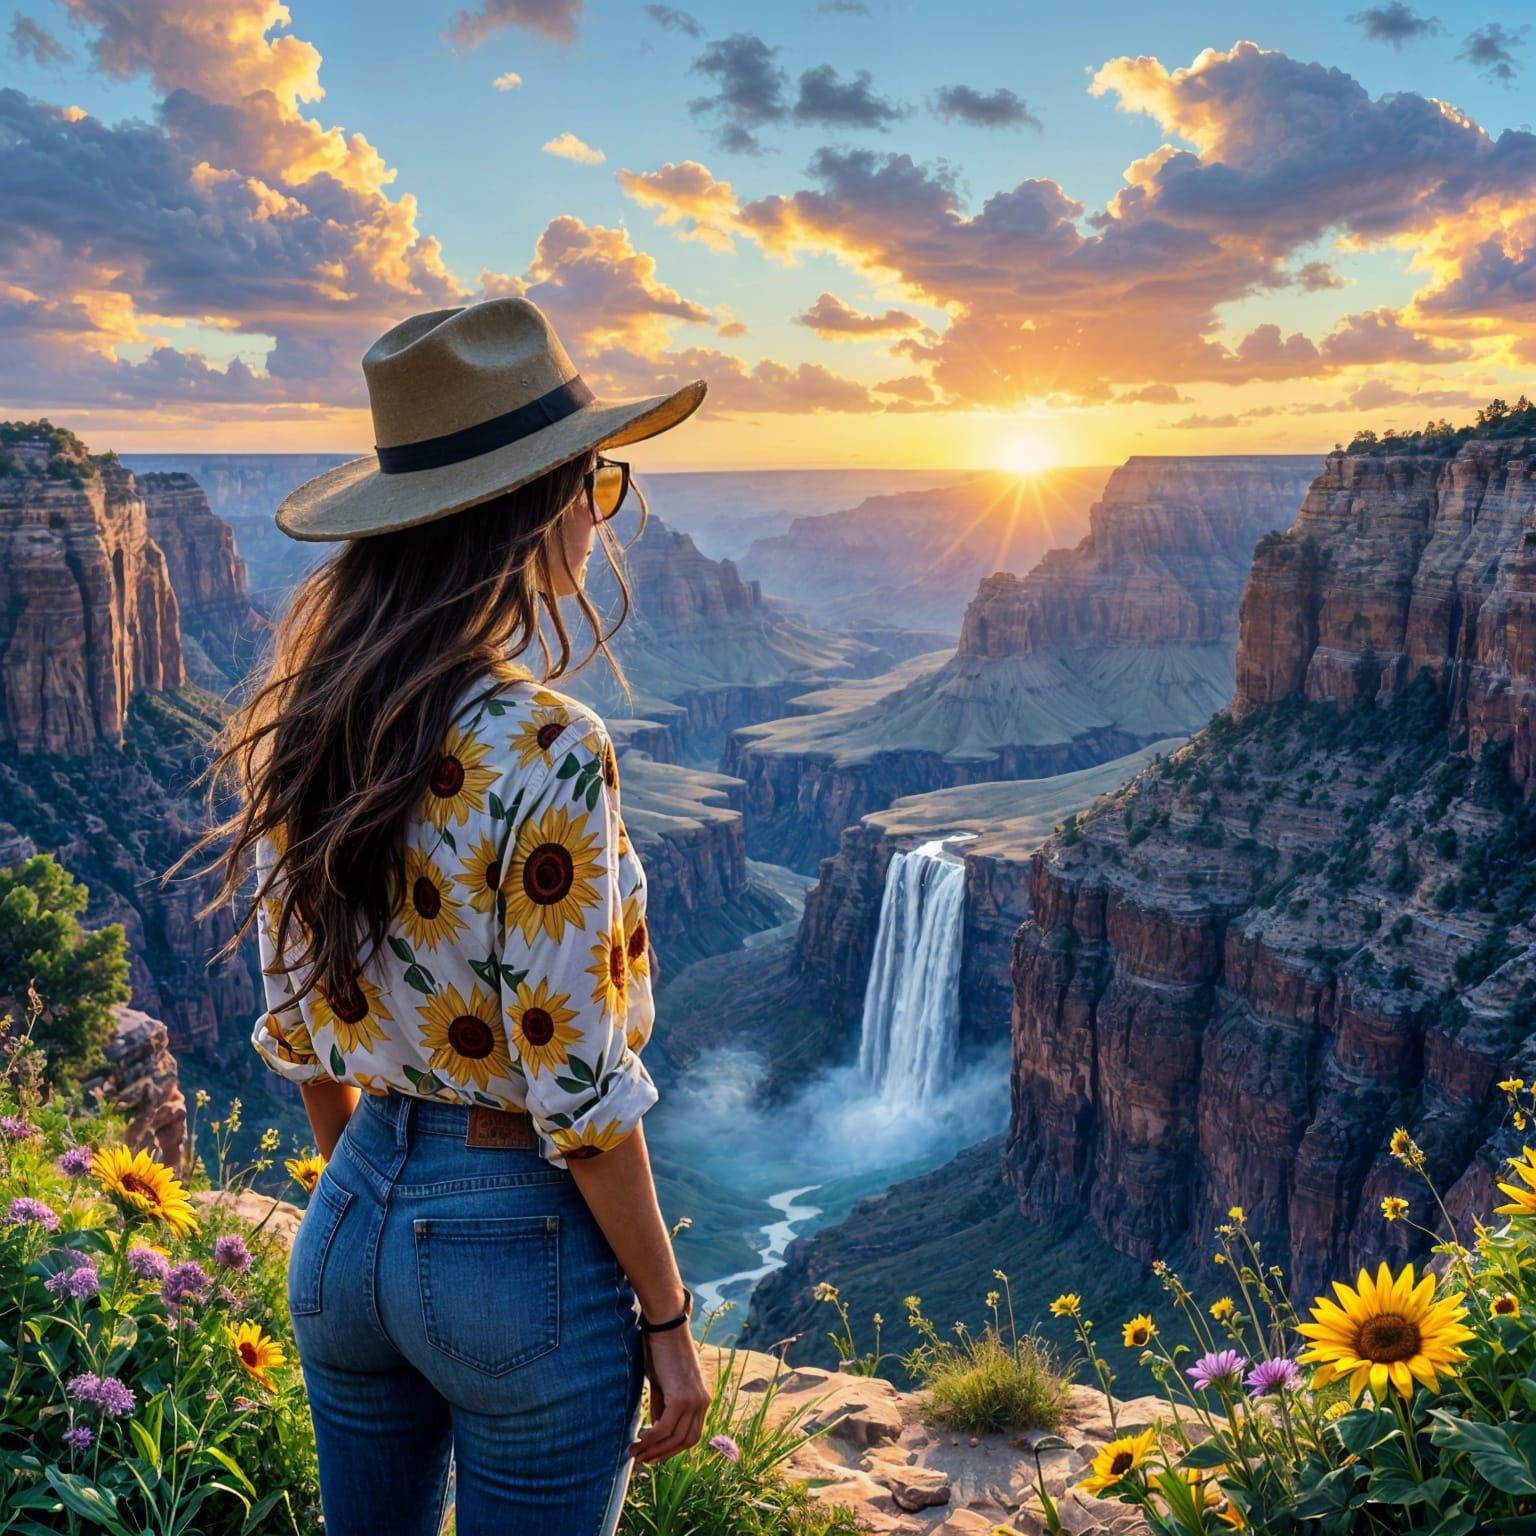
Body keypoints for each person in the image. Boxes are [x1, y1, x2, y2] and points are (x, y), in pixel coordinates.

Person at [185, 296, 712, 1535]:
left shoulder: (305, 729)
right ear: (534, 507)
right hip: (514, 1242)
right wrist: (669, 1320)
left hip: (349, 1219)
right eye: (599, 482)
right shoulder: (548, 746)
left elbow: (300, 1029)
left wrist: (380, 1210)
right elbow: (576, 1089)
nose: (603, 511)